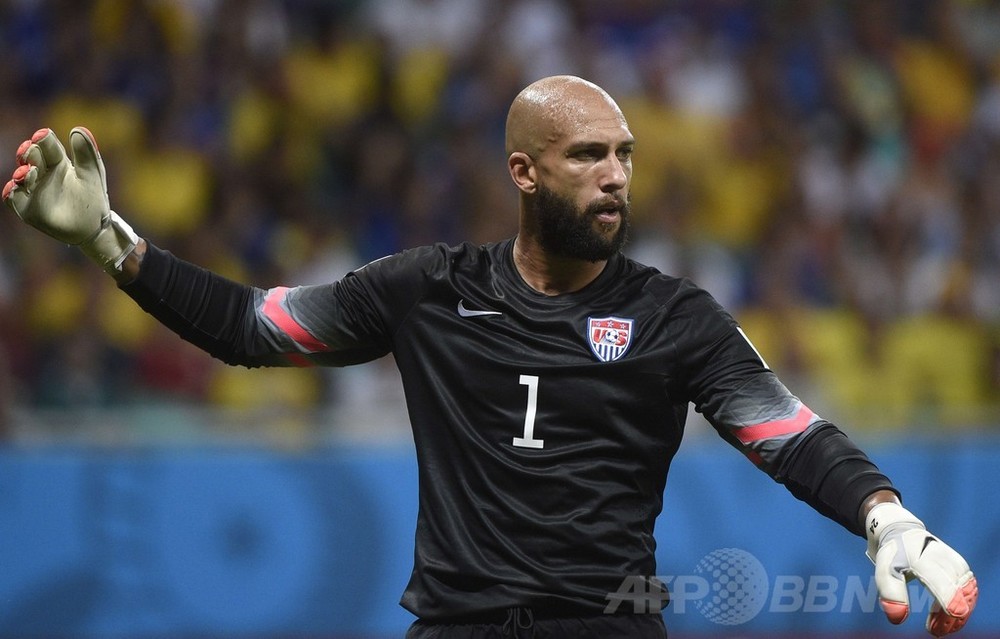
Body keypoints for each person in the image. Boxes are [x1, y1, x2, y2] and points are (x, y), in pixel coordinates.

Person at [3, 75, 978, 638]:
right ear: (522, 171)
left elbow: (786, 430)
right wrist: (110, 244)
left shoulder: (673, 317)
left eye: (626, 155)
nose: (615, 177)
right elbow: (253, 329)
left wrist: (882, 512)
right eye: (588, 155)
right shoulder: (425, 289)